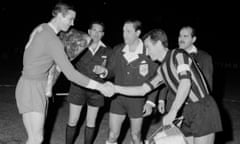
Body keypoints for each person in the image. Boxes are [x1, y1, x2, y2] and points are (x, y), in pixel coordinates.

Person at [15, 3, 113, 144]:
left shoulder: (42, 28)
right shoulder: (53, 40)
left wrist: (47, 81)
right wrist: (100, 87)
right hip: (34, 87)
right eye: (70, 19)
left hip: (25, 83)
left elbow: (27, 47)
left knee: (33, 138)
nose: (72, 23)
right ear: (60, 15)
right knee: (37, 139)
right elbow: (71, 74)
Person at [111, 29, 222, 144]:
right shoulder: (161, 70)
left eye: (148, 47)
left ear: (159, 44)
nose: (147, 53)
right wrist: (115, 88)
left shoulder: (178, 54)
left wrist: (173, 111)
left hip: (202, 109)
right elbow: (143, 89)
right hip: (185, 112)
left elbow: (185, 82)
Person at [98, 20, 158, 144]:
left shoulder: (148, 52)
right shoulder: (118, 49)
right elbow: (111, 71)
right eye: (123, 31)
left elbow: (156, 78)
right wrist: (104, 72)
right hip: (118, 99)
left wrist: (150, 102)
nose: (124, 34)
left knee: (136, 136)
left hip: (137, 101)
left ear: (138, 33)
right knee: (112, 135)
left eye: (128, 31)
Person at [65, 21, 112, 144]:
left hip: (97, 91)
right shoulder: (79, 46)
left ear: (103, 34)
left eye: (99, 31)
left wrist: (103, 72)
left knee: (91, 122)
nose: (96, 34)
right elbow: (66, 64)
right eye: (94, 30)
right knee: (73, 120)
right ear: (89, 31)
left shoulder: (108, 50)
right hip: (78, 87)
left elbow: (111, 72)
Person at [157, 26, 214, 114]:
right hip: (172, 104)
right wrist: (161, 99)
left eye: (185, 36)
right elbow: (165, 78)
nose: (181, 39)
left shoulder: (204, 58)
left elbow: (207, 84)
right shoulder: (171, 55)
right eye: (180, 36)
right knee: (172, 128)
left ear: (193, 39)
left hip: (193, 106)